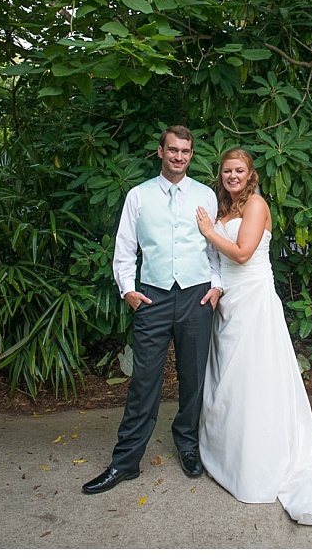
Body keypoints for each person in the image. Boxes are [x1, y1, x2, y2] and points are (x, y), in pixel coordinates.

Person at [194, 148, 312, 526]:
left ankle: (261, 463)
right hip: (228, 304)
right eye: (226, 171)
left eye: (239, 170)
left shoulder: (255, 205)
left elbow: (241, 253)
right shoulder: (224, 208)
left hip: (254, 300)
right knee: (229, 381)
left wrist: (208, 231)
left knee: (256, 380)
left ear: (251, 173)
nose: (232, 176)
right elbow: (218, 261)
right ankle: (226, 456)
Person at [83, 125, 222, 494]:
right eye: (173, 150)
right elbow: (124, 247)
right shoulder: (138, 195)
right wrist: (128, 290)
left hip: (196, 297)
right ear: (160, 151)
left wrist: (217, 285)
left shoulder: (206, 195)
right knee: (144, 382)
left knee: (194, 379)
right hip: (152, 298)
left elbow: (215, 248)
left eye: (185, 152)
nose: (179, 157)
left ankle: (187, 445)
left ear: (192, 155)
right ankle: (126, 461)